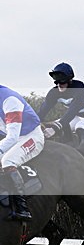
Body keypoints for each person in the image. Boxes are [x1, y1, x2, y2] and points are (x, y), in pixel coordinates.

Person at [0, 85, 45, 221]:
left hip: (30, 136)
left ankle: (22, 208)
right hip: (12, 138)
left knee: (8, 161)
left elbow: (12, 137)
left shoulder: (10, 100)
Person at [38, 62, 84, 146]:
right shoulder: (53, 93)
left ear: (69, 80)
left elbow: (72, 111)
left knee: (81, 126)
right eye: (56, 82)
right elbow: (42, 112)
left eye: (62, 82)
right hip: (79, 116)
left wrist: (54, 129)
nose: (59, 85)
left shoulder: (80, 89)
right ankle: (69, 143)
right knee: (58, 124)